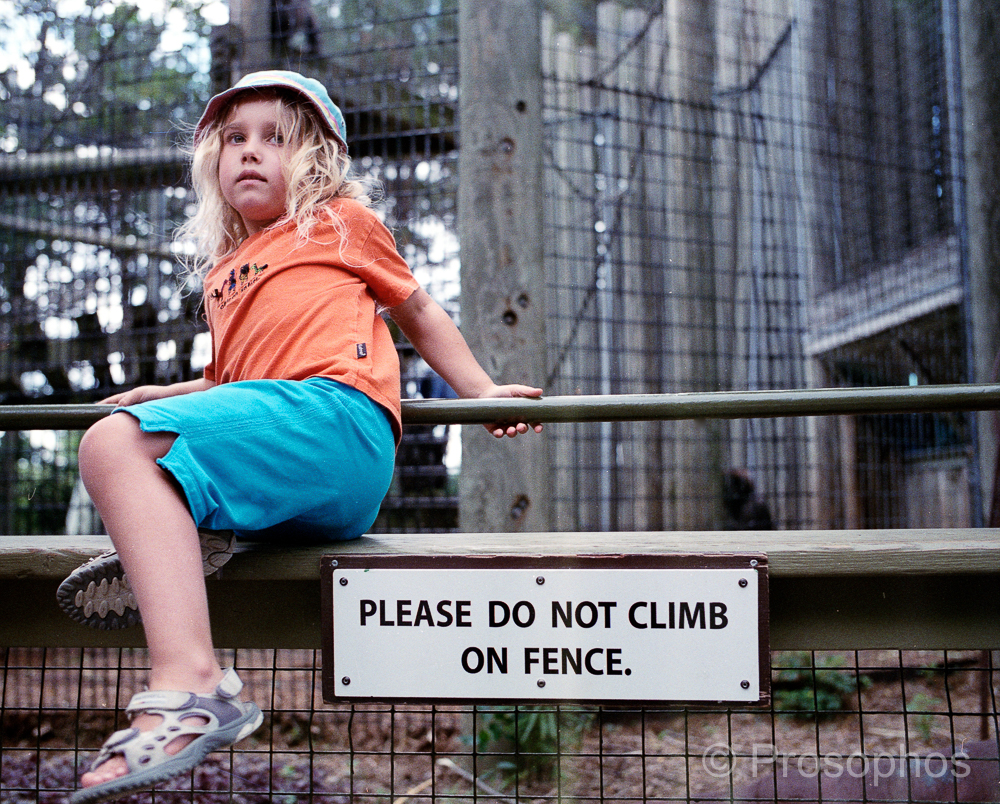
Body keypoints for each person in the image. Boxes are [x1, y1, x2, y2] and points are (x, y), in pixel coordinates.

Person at [56, 70, 543, 804]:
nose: (250, 152)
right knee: (133, 439)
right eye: (235, 139)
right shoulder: (225, 274)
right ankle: (199, 532)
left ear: (315, 159)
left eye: (275, 139)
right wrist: (168, 393)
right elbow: (235, 385)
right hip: (299, 471)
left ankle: (190, 683)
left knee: (112, 445)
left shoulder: (338, 222)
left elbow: (418, 310)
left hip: (333, 423)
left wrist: (478, 389)